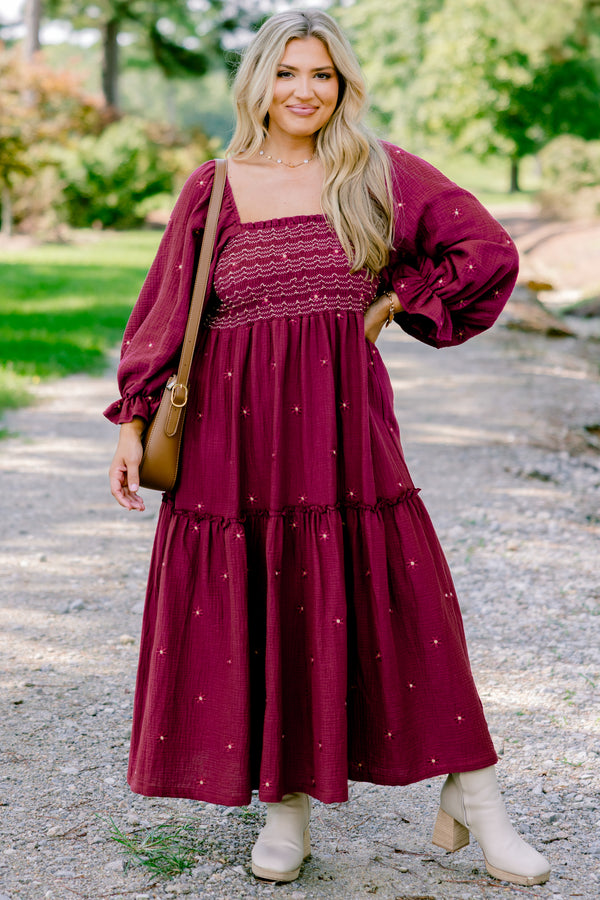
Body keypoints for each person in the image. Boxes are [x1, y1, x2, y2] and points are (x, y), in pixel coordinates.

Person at [106, 8, 550, 889]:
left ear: (343, 87)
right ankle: (285, 812)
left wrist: (396, 304)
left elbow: (486, 250)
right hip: (232, 441)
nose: (304, 92)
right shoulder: (214, 185)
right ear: (258, 83)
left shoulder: (376, 171)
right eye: (288, 73)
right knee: (271, 607)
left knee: (410, 604)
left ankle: (480, 795)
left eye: (323, 76)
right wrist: (132, 418)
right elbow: (168, 306)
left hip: (347, 433)